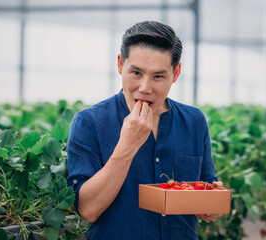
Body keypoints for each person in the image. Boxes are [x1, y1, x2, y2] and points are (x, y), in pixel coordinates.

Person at [67, 21, 222, 240]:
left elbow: (205, 186)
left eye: (158, 76)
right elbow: (88, 210)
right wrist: (127, 145)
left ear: (175, 73)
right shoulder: (89, 122)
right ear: (120, 64)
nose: (145, 88)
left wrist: (209, 204)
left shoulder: (194, 121)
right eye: (136, 73)